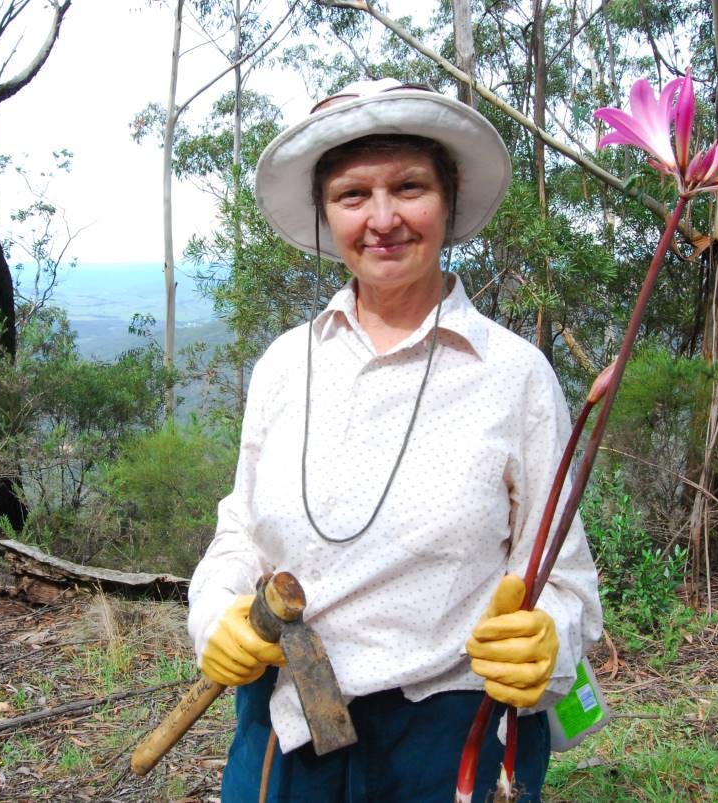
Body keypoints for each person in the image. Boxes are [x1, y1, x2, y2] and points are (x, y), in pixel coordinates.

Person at [187, 78, 602, 802]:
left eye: (409, 186)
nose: (383, 218)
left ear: (449, 199)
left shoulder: (514, 376)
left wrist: (549, 644)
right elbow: (240, 533)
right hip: (291, 722)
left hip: (449, 737)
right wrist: (216, 610)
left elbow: (563, 580)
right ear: (325, 213)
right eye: (352, 195)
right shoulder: (287, 365)